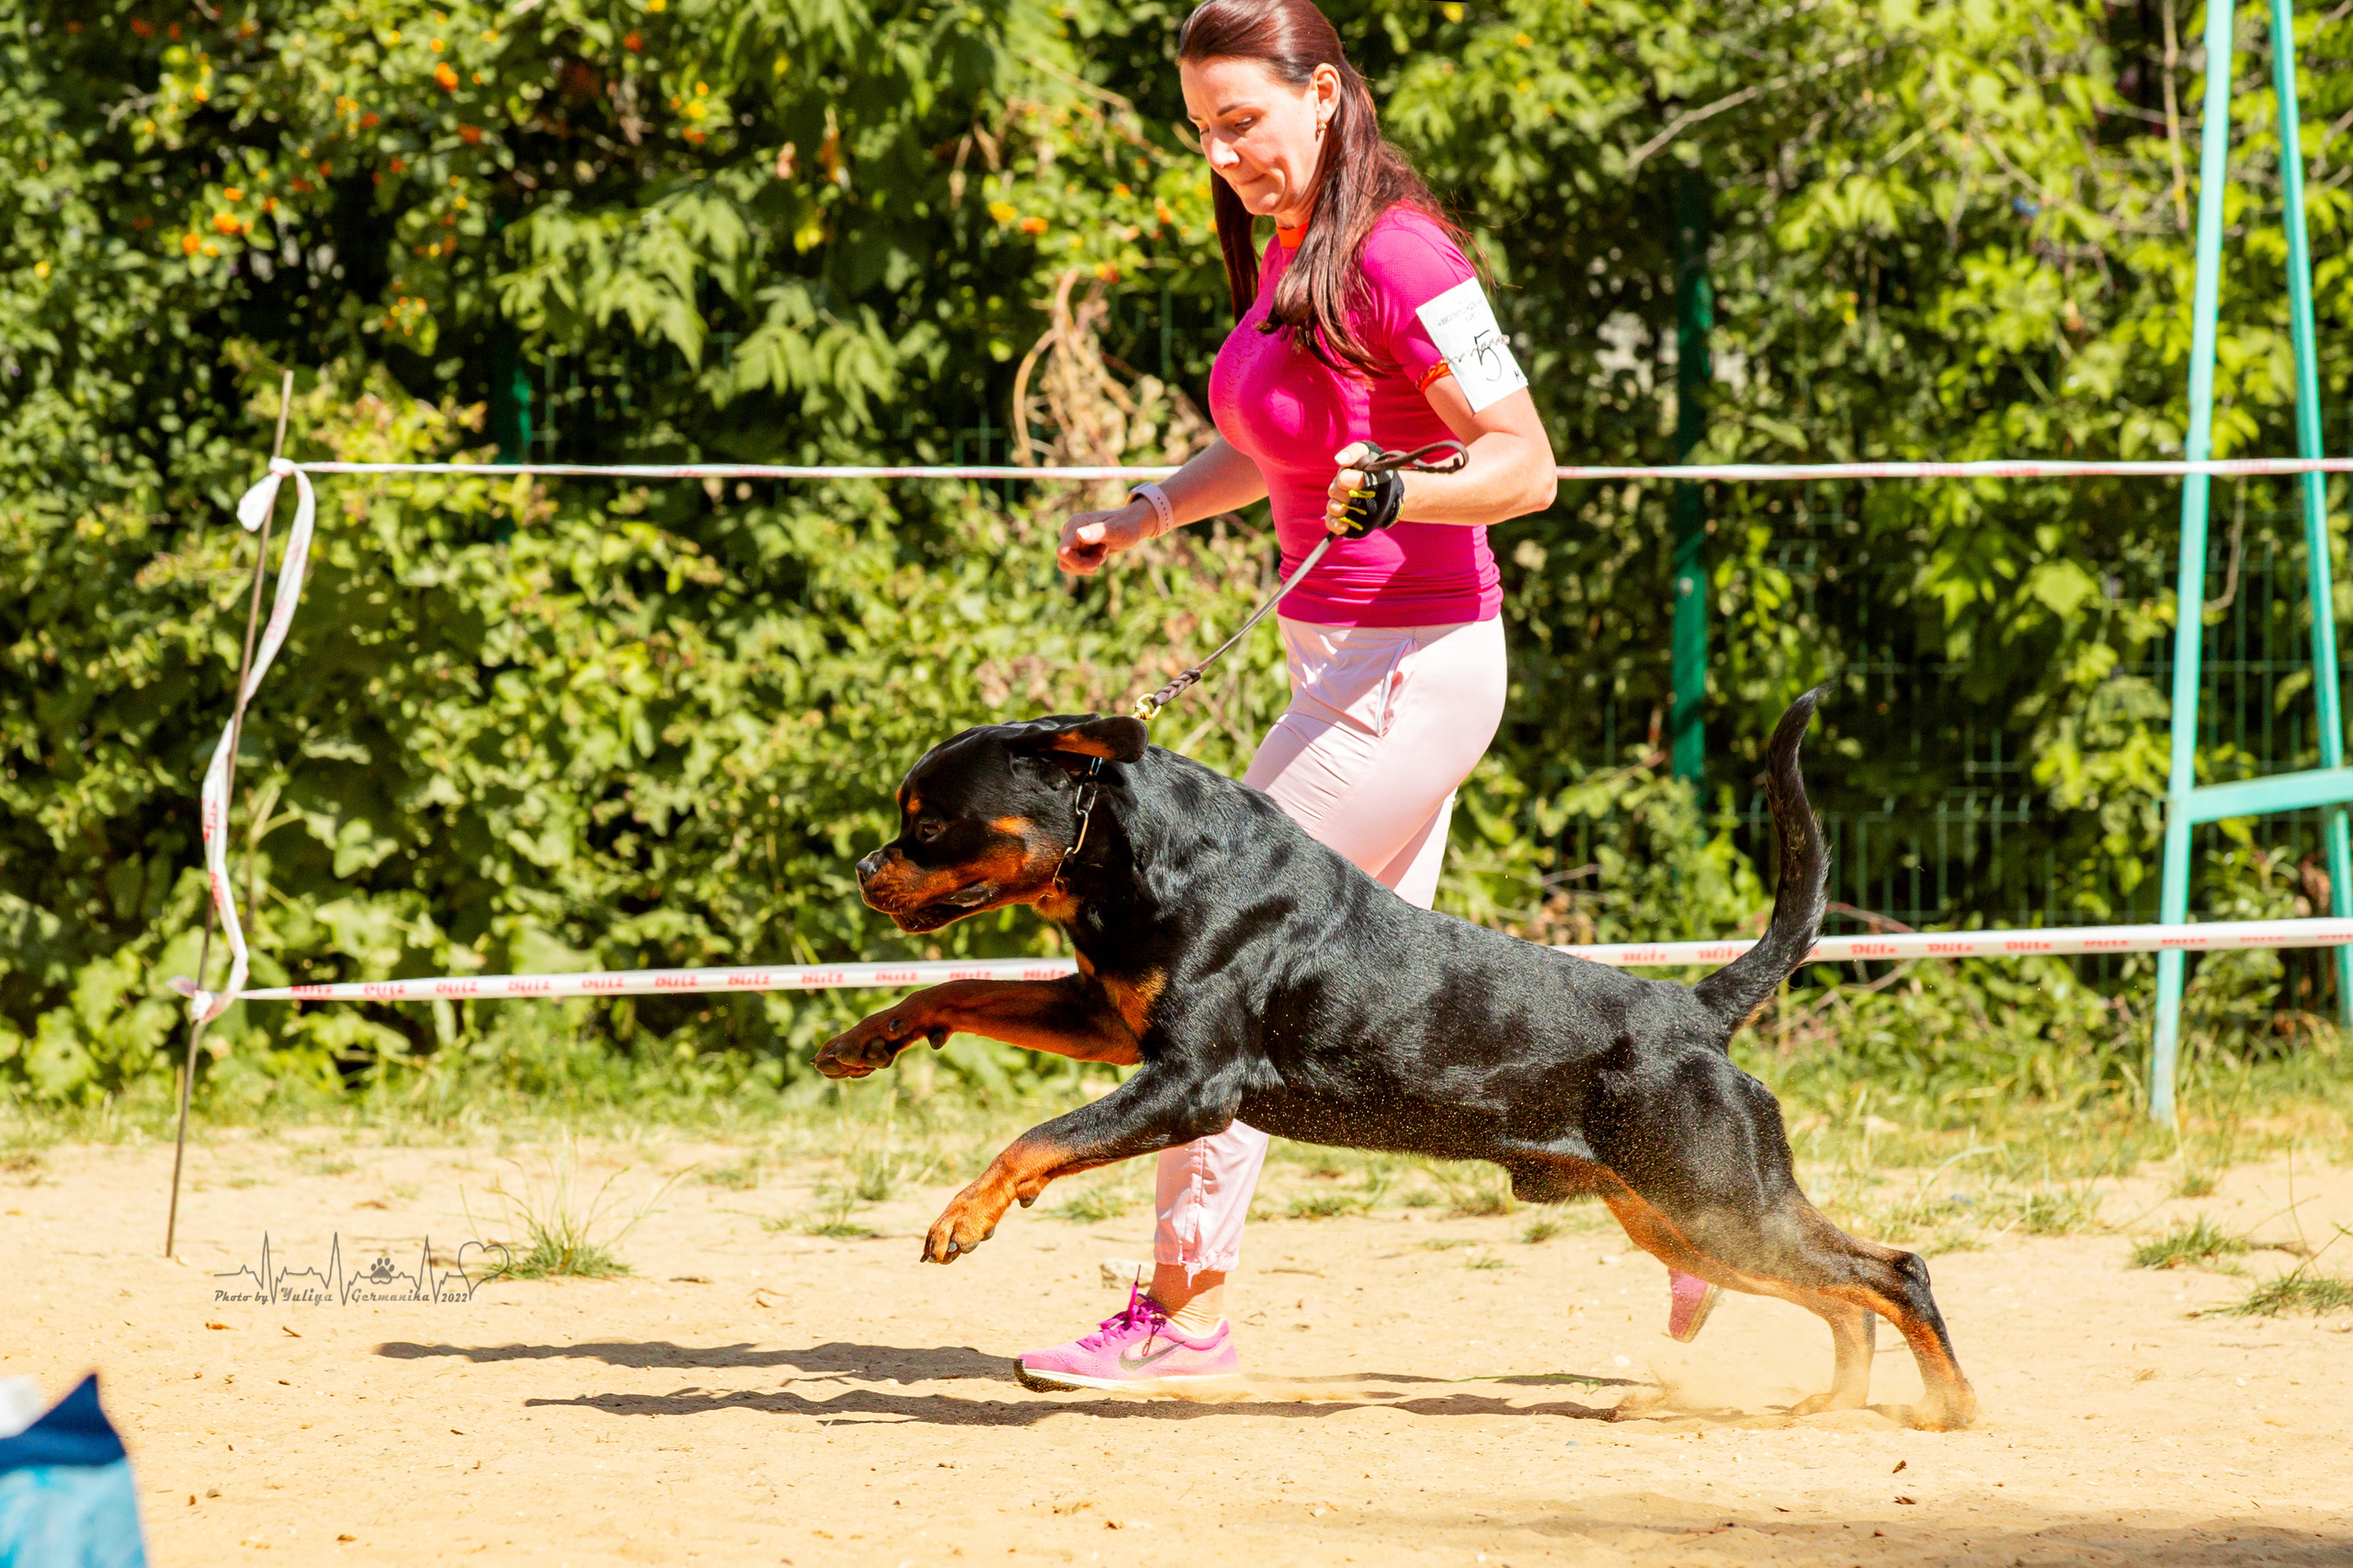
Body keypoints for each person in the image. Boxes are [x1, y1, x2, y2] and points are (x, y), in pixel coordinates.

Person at [1013, 0, 1718, 1395]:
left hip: (1411, 672)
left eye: (1244, 124)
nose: (1224, 155)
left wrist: (1410, 487)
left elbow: (1528, 464)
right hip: (1339, 664)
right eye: (1204, 131)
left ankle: (1178, 1312)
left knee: (1206, 974)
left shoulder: (1403, 252)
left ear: (1324, 93)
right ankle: (1685, 1185)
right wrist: (1148, 513)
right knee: (1402, 1018)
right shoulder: (1291, 248)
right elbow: (1273, 442)